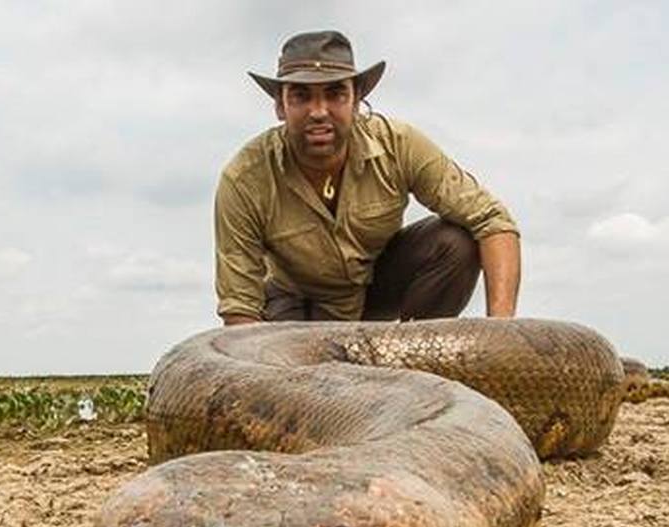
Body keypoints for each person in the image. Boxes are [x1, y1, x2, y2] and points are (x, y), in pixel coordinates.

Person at [214, 30, 521, 326]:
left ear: (356, 101)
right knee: (286, 366)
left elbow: (493, 221)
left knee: (456, 242)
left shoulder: (399, 144)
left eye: (335, 94)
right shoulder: (244, 180)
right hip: (295, 305)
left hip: (373, 288)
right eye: (301, 96)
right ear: (280, 106)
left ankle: (418, 365)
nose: (319, 111)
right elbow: (239, 309)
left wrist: (502, 332)